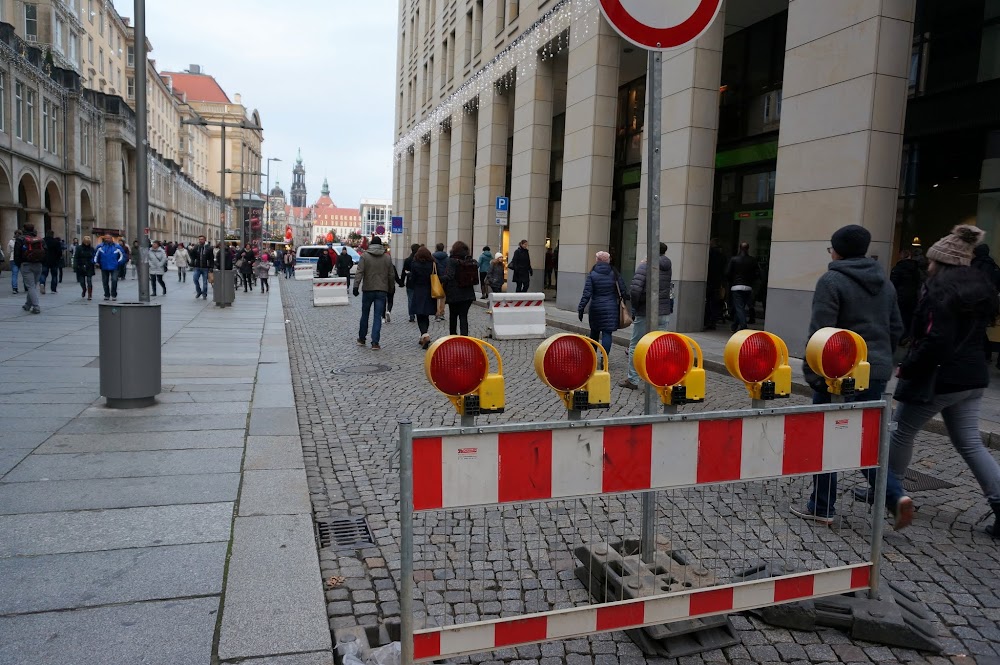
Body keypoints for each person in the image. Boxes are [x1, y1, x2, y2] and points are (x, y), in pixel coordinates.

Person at [792, 225, 908, 528]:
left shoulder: (832, 280)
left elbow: (821, 332)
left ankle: (821, 505)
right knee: (865, 439)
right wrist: (881, 360)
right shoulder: (885, 282)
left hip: (838, 372)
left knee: (828, 438)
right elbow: (896, 328)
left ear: (837, 250)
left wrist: (814, 374)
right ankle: (895, 496)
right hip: (876, 371)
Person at [890, 226, 1000, 539]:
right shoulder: (978, 288)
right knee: (970, 443)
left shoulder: (939, 291)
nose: (928, 265)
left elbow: (936, 339)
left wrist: (908, 367)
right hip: (972, 377)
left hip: (940, 379)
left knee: (901, 431)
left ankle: (892, 492)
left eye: (932, 260)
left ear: (941, 262)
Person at [620, 243, 672, 390]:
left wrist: (635, 307)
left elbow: (636, 290)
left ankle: (633, 379)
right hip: (663, 311)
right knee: (659, 346)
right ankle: (658, 378)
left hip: (646, 311)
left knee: (635, 345)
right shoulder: (667, 266)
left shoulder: (645, 266)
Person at [578, 251, 627, 355]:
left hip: (596, 307)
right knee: (607, 333)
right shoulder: (614, 272)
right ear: (608, 260)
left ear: (597, 260)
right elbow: (623, 290)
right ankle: (604, 358)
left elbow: (587, 293)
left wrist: (581, 308)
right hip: (611, 307)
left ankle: (592, 357)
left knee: (594, 332)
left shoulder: (593, 273)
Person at [353, 236, 395, 350]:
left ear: (371, 244)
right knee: (377, 316)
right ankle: (375, 342)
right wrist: (391, 288)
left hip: (368, 290)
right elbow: (391, 275)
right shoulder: (387, 258)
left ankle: (362, 338)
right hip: (382, 290)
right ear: (381, 245)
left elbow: (359, 272)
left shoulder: (365, 256)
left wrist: (355, 286)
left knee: (365, 314)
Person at [442, 240, 478, 336]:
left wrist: (438, 278)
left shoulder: (452, 261)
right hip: (468, 294)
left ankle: (453, 336)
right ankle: (464, 337)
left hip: (454, 294)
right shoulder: (470, 261)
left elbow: (449, 276)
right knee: (463, 316)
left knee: (453, 316)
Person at [726, 242, 760, 332]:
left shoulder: (734, 259)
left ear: (740, 248)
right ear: (748, 249)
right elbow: (757, 273)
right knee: (741, 306)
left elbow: (728, 273)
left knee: (739, 307)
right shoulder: (753, 260)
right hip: (748, 287)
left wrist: (731, 281)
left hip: (736, 286)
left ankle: (743, 326)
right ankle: (734, 326)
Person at [890, 248, 922, 342]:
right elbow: (918, 282)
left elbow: (892, 283)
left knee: (899, 317)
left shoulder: (898, 268)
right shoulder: (916, 269)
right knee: (909, 317)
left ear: (901, 256)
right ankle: (907, 336)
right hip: (913, 297)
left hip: (900, 297)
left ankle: (900, 336)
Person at [409, 247, 438, 349]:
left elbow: (413, 279)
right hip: (430, 291)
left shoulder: (414, 264)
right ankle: (424, 335)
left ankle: (425, 335)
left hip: (419, 291)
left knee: (419, 315)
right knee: (425, 315)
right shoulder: (433, 264)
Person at [14, 224, 45, 313]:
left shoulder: (20, 239)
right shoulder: (40, 240)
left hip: (26, 264)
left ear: (23, 229)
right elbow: (45, 252)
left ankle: (36, 306)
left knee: (30, 286)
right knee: (32, 285)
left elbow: (17, 253)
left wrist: (18, 264)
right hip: (38, 264)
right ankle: (28, 304)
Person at [94, 234, 125, 302]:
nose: (107, 239)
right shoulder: (100, 247)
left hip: (114, 266)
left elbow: (122, 256)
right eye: (105, 238)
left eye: (108, 238)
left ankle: (113, 294)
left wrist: (118, 263)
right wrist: (96, 262)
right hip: (104, 266)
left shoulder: (117, 247)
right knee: (105, 281)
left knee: (114, 280)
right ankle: (107, 294)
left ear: (111, 239)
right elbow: (95, 255)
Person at [704, 238, 726, 330]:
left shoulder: (708, 254)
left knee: (708, 302)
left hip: (709, 281)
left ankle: (707, 321)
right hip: (718, 282)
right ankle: (713, 322)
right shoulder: (722, 256)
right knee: (714, 303)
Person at [399, 243, 420, 322]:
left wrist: (401, 282)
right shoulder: (421, 260)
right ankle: (419, 313)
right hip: (419, 283)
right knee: (418, 299)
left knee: (410, 299)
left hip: (410, 282)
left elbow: (404, 271)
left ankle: (411, 315)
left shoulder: (408, 260)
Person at [190, 235, 213, 299]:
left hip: (205, 267)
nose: (200, 240)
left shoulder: (209, 248)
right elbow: (193, 256)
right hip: (197, 267)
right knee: (195, 279)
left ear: (205, 240)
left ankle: (204, 294)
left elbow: (211, 258)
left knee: (205, 282)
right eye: (199, 239)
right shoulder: (196, 247)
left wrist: (211, 267)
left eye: (202, 239)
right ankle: (199, 291)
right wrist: (191, 250)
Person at [74, 236, 96, 301]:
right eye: (86, 242)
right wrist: (75, 266)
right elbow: (76, 257)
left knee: (89, 281)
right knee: (82, 281)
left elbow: (94, 257)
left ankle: (89, 294)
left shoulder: (92, 249)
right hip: (81, 266)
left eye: (88, 242)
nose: (87, 243)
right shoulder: (79, 248)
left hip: (89, 266)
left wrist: (94, 262)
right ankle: (84, 289)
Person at [39, 230, 61, 294]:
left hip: (44, 260)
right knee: (54, 275)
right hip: (54, 261)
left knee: (43, 274)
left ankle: (42, 283)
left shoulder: (43, 241)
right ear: (52, 235)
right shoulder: (56, 242)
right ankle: (53, 289)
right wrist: (58, 259)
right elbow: (59, 252)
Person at [432, 242, 449, 321]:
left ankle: (437, 313)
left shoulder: (433, 257)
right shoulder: (447, 257)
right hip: (444, 278)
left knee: (436, 295)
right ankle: (442, 312)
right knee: (443, 295)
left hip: (436, 278)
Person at [8, 229, 22, 294]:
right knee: (25, 274)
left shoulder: (11, 241)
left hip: (13, 258)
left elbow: (8, 251)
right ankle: (26, 287)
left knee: (14, 274)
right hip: (21, 259)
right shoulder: (22, 240)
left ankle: (14, 288)